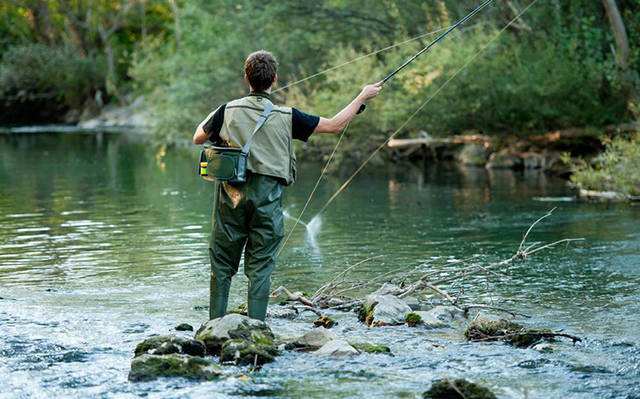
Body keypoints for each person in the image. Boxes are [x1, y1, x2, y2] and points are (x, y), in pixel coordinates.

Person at [193, 50, 381, 321]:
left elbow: (199, 136)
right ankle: (256, 328)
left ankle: (214, 327)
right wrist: (362, 97)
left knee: (222, 264)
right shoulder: (287, 115)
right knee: (260, 266)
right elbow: (334, 125)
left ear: (246, 77)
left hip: (230, 197)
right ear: (275, 79)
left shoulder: (226, 110)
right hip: (267, 200)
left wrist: (219, 112)